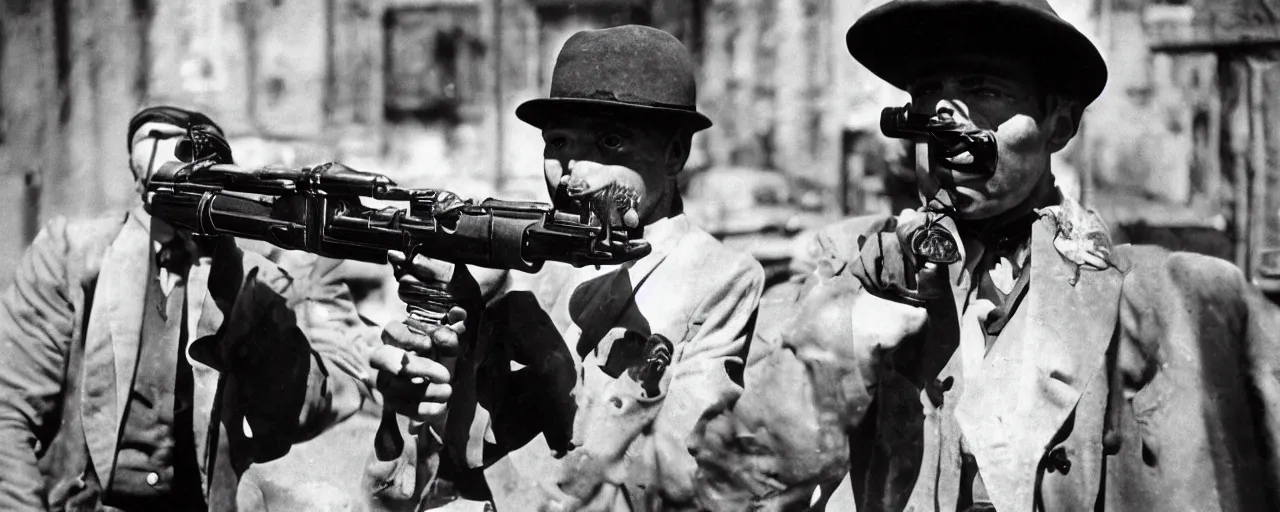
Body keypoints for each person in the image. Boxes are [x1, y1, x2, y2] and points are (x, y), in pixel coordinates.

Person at [687, 1, 1280, 511]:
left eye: (984, 89)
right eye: (927, 95)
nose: (947, 115)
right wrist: (841, 337)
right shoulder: (842, 265)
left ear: (1059, 125)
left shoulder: (1155, 301)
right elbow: (731, 486)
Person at [366, 25, 765, 512]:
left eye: (611, 142)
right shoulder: (522, 260)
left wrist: (562, 386)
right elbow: (447, 458)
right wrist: (444, 368)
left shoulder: (719, 276)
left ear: (674, 153)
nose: (573, 173)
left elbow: (675, 472)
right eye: (558, 143)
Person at [0, 106, 375, 511]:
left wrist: (234, 276)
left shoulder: (252, 282)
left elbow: (293, 417)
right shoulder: (71, 256)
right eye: (157, 144)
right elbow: (9, 415)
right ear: (136, 171)